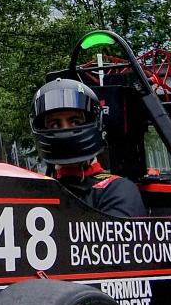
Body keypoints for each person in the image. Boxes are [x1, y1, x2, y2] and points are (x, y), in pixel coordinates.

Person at [31, 77, 147, 217]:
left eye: (74, 122)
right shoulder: (36, 191)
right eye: (54, 124)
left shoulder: (117, 190)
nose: (65, 130)